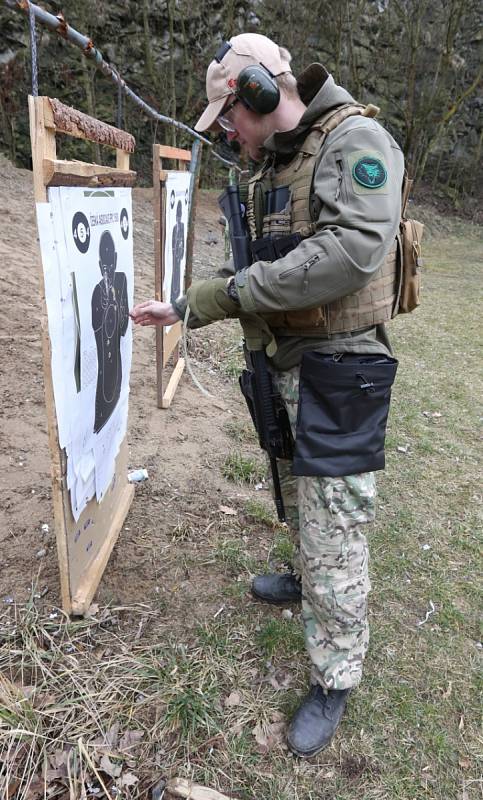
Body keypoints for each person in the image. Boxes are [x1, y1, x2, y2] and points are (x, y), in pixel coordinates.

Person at [130, 33, 404, 757]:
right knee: (294, 491)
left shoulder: (355, 142)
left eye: (230, 116)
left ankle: (335, 674)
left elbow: (350, 251)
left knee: (335, 527)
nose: (227, 131)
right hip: (284, 362)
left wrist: (219, 296)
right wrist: (196, 304)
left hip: (340, 369)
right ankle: (305, 573)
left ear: (258, 91)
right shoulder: (272, 166)